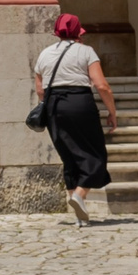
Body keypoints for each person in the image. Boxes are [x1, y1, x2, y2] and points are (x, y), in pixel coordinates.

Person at [33, 13, 116, 225]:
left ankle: (78, 212)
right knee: (95, 152)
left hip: (53, 106)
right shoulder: (86, 52)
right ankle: (80, 194)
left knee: (69, 155)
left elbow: (40, 90)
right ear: (78, 32)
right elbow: (102, 85)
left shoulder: (44, 54)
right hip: (80, 102)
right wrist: (112, 111)